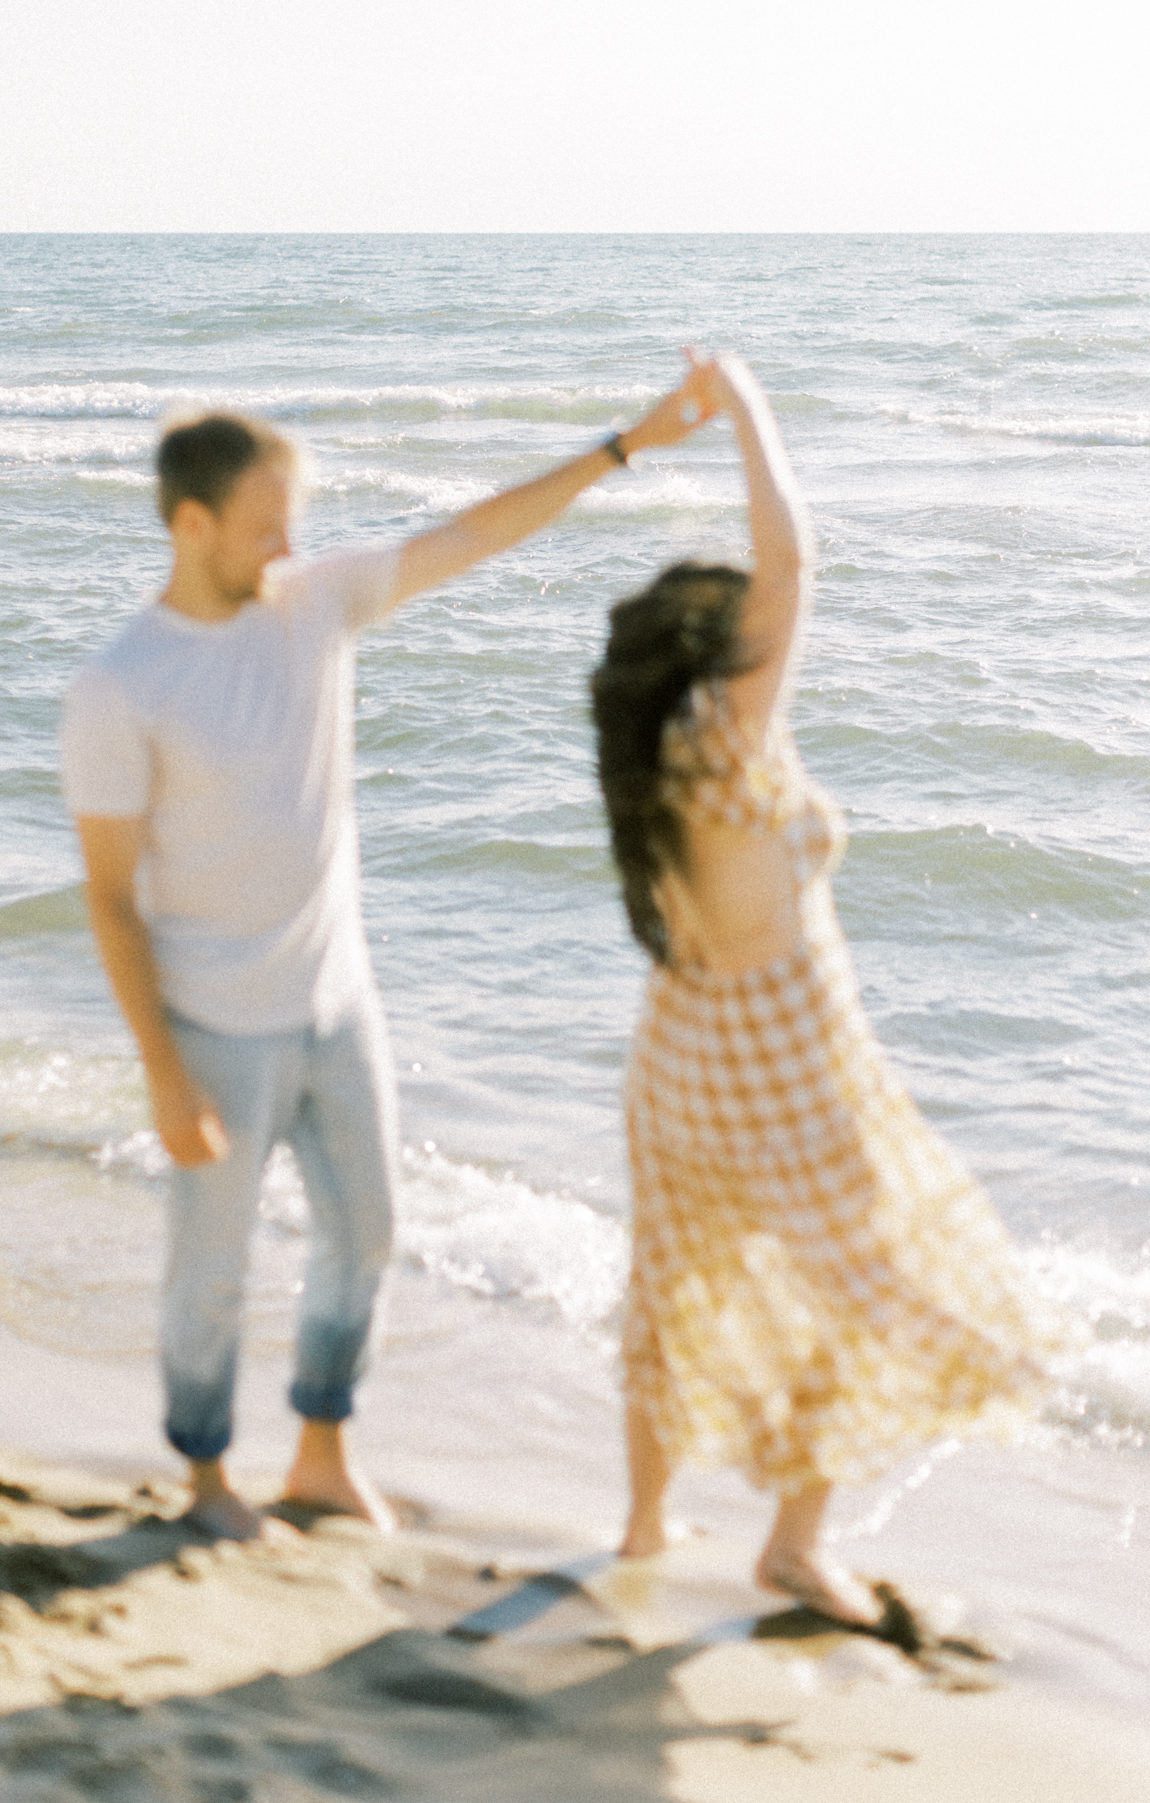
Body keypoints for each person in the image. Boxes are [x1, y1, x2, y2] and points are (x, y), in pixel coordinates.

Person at [61, 379, 708, 1542]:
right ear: (191, 524)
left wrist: (624, 447)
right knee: (209, 1268)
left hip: (337, 1003)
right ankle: (206, 1479)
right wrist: (162, 1069)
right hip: (215, 1025)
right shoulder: (121, 683)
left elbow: (475, 530)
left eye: (294, 520)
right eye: (267, 523)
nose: (290, 544)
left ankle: (318, 1454)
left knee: (366, 1232)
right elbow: (111, 902)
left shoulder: (315, 603)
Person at [590, 354, 1072, 1625]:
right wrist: (742, 402)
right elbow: (796, 563)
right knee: (875, 1286)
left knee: (672, 1287)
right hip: (786, 1071)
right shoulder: (729, 736)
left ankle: (640, 1521)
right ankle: (793, 1545)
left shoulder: (648, 764)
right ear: (717, 653)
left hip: (678, 1059)